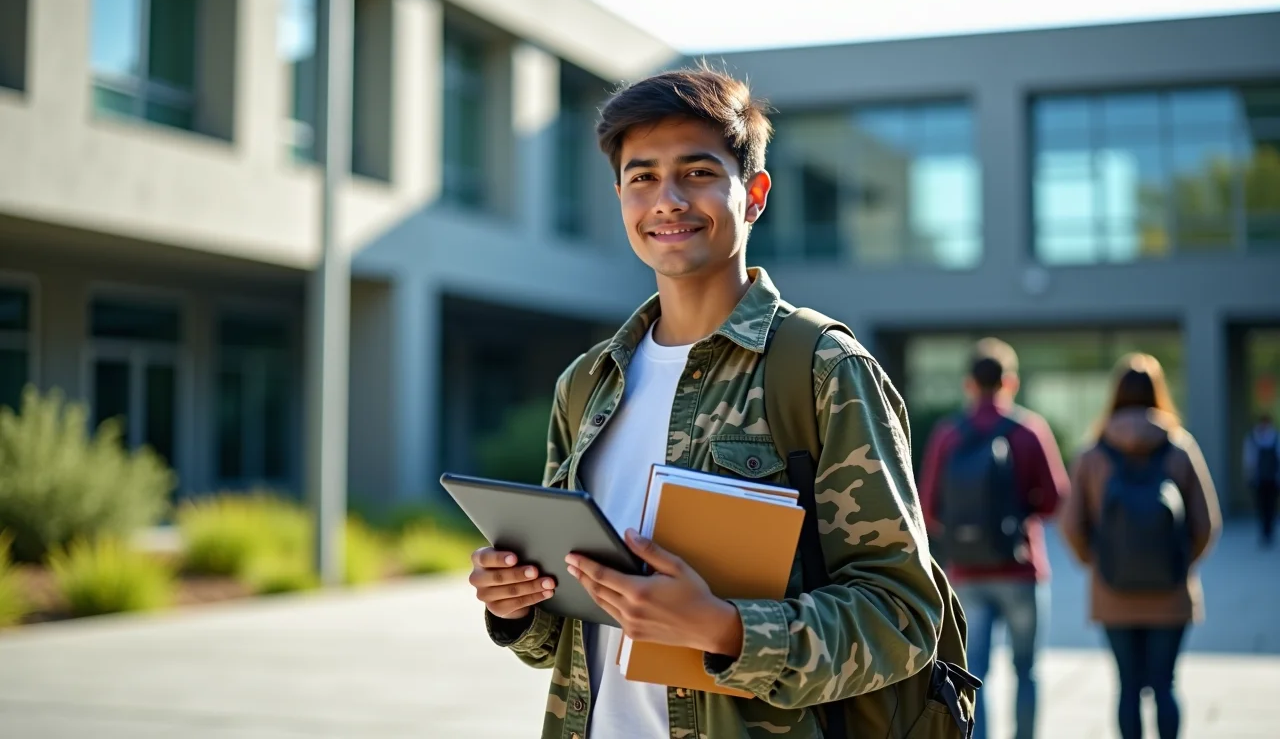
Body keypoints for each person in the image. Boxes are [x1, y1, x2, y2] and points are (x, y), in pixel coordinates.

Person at [466, 65, 949, 738]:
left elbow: (903, 615)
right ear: (621, 197)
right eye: (642, 177)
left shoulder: (820, 370)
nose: (666, 200)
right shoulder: (587, 383)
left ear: (753, 194)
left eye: (696, 172)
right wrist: (517, 606)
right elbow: (558, 641)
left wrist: (727, 629)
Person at [1060, 353, 1221, 739]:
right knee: (1165, 685)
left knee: (1128, 687)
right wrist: (1179, 563)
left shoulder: (1093, 453)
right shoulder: (1180, 447)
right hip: (1171, 593)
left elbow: (1070, 525)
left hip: (1112, 591)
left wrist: (1099, 563)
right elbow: (1207, 524)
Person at [917, 338, 1068, 739]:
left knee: (972, 674)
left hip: (967, 574)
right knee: (1027, 670)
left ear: (969, 384)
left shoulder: (949, 434)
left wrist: (963, 534)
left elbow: (927, 509)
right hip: (1021, 569)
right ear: (1011, 382)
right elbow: (1055, 501)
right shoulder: (1029, 430)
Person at [1243, 413, 1279, 546]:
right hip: (1259, 478)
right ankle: (1264, 532)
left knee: (1271, 506)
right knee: (1261, 506)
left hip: (1273, 478)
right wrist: (1249, 475)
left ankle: (1269, 531)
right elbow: (1249, 459)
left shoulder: (1275, 437)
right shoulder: (1253, 438)